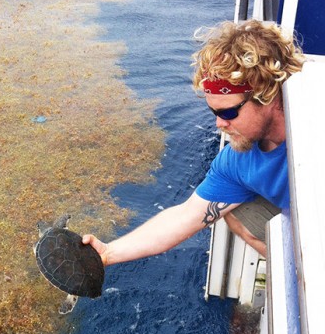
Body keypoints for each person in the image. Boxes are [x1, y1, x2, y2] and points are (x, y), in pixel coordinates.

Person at [83, 19, 305, 264]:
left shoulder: (313, 132)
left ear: (269, 96)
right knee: (234, 211)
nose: (219, 124)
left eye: (228, 112)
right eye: (214, 112)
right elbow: (185, 216)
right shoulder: (237, 160)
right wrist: (107, 253)